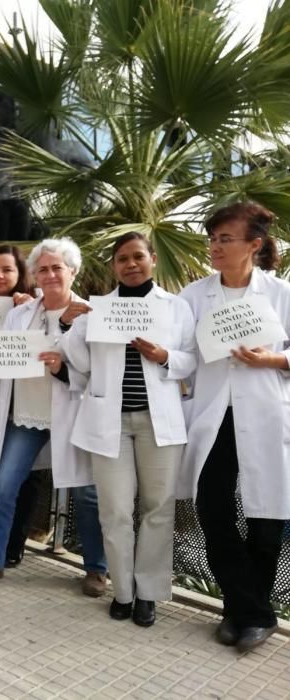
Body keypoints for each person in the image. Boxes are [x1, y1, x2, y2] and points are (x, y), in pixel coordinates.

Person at [0, 237, 108, 596]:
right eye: (43, 269)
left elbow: (93, 370)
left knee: (86, 494)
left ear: (73, 272)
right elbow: (5, 358)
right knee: (3, 486)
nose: (50, 274)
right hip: (27, 415)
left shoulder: (89, 314)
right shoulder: (20, 313)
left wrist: (63, 340)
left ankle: (96, 569)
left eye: (57, 267)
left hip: (71, 413)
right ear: (35, 275)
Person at [63, 233, 196, 627]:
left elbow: (192, 359)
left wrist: (165, 355)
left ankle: (149, 594)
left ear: (152, 259)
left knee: (158, 508)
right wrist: (71, 324)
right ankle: (123, 590)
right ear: (114, 266)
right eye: (122, 259)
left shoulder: (176, 308)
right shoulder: (99, 310)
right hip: (111, 422)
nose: (131, 264)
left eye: (138, 256)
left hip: (159, 422)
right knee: (116, 510)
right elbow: (80, 364)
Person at [179, 202, 290, 652]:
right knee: (213, 509)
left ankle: (240, 614)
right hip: (212, 415)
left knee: (266, 518)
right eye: (213, 239)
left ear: (254, 245)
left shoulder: (281, 294)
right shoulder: (193, 295)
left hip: (266, 413)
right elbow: (183, 354)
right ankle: (252, 612)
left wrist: (272, 359)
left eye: (225, 239)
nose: (215, 247)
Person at [0, 245, 42, 567]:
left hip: (33, 406)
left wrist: (31, 308)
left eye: (7, 270)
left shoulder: (37, 303)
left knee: (29, 479)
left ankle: (15, 545)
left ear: (21, 273)